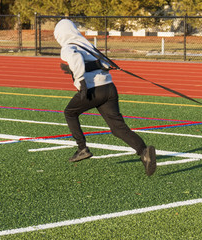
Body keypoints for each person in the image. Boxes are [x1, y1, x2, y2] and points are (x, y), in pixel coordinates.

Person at [54, 19, 156, 176]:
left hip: (93, 90)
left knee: (70, 113)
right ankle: (144, 152)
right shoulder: (87, 44)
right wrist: (72, 70)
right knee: (118, 128)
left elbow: (76, 60)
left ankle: (82, 148)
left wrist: (80, 80)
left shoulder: (68, 46)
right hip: (109, 88)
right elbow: (101, 63)